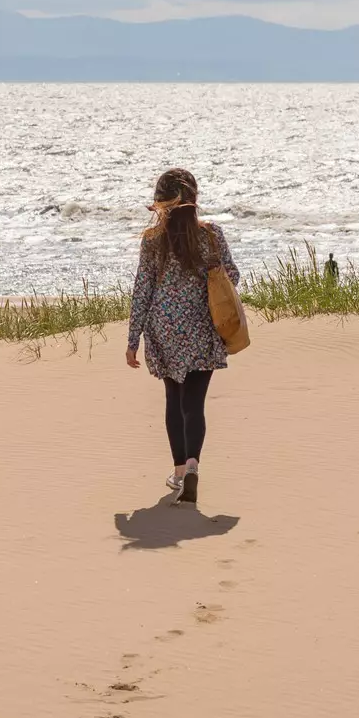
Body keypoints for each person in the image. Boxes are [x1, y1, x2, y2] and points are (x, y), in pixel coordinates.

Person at [126, 168, 238, 506]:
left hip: (164, 329)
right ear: (194, 198)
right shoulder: (211, 235)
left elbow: (142, 290)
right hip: (202, 326)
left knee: (173, 400)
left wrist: (133, 339)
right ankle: (193, 465)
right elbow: (231, 275)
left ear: (160, 202)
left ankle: (178, 472)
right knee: (195, 403)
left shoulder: (152, 239)